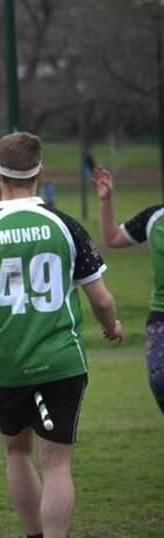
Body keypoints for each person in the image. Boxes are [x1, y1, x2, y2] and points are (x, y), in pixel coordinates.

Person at [0, 132, 122, 538]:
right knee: (57, 463)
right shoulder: (65, 225)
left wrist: (6, 338)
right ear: (39, 171)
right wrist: (109, 326)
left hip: (7, 364)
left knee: (16, 451)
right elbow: (101, 300)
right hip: (62, 360)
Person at [93, 166, 164, 413]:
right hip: (161, 314)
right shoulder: (156, 217)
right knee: (160, 381)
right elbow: (113, 238)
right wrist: (106, 199)